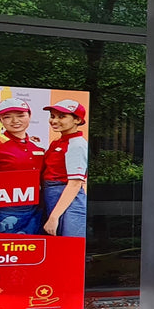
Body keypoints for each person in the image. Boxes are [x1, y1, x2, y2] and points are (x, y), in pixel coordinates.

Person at [0, 98, 44, 234]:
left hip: (36, 206)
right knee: (6, 248)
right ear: (0, 119)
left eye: (20, 115)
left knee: (32, 248)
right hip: (6, 207)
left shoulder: (38, 145)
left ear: (29, 116)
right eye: (7, 117)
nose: (15, 121)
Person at [41, 99, 88, 238]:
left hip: (66, 199)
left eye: (62, 116)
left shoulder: (77, 144)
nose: (54, 121)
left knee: (69, 245)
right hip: (53, 195)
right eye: (52, 116)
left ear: (77, 120)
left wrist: (54, 218)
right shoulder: (58, 142)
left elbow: (74, 184)